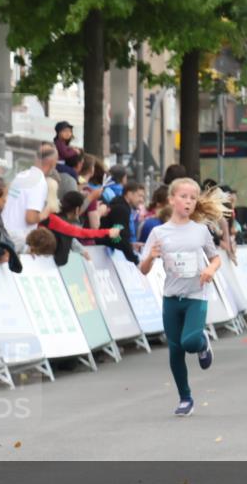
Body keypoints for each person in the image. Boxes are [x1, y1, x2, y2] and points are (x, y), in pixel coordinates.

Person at [139, 178, 225, 417]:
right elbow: (143, 269)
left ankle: (202, 342)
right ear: (171, 199)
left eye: (193, 198)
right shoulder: (158, 232)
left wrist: (210, 269)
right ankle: (185, 398)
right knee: (175, 350)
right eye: (183, 196)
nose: (188, 202)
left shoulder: (200, 230)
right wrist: (150, 258)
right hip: (171, 297)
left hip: (196, 295)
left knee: (189, 342)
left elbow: (215, 257)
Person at [1, 142, 57, 252]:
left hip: (2, 229)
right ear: (52, 163)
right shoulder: (39, 182)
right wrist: (46, 212)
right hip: (17, 238)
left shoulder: (21, 175)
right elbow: (30, 218)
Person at [42, 191, 122, 267]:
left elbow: (70, 236)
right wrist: (107, 232)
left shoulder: (53, 216)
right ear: (77, 209)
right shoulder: (57, 220)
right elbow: (81, 233)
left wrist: (82, 251)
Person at [101, 181, 145, 264]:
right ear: (129, 194)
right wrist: (135, 260)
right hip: (103, 256)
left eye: (143, 197)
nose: (141, 200)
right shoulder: (121, 209)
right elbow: (120, 238)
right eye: (139, 196)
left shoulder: (120, 206)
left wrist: (130, 245)